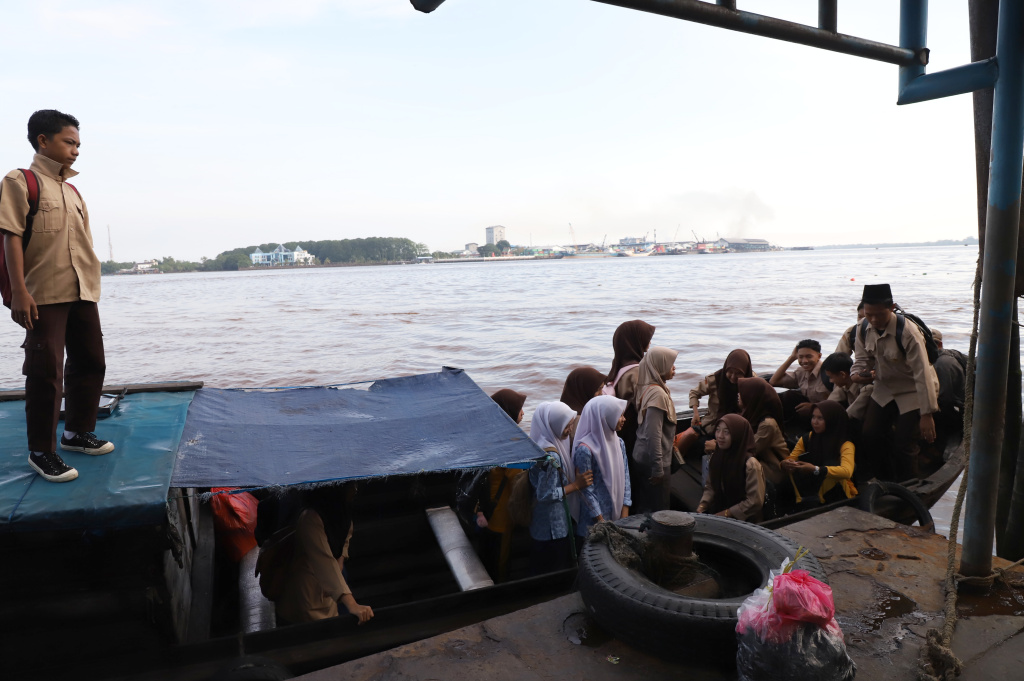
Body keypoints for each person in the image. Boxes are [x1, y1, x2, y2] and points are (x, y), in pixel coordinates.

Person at [1, 110, 111, 483]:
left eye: (78, 144)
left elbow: (83, 244)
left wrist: (92, 286)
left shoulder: (73, 191)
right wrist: (19, 292)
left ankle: (77, 432)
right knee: (45, 372)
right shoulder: (21, 181)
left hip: (81, 290)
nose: (76, 150)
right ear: (43, 140)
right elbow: (11, 236)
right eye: (69, 142)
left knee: (91, 361)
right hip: (42, 293)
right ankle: (42, 452)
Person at [851, 283, 940, 482]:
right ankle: (884, 480)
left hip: (914, 389)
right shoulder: (863, 328)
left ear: (891, 308)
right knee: (870, 434)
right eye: (868, 314)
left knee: (904, 443)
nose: (873, 320)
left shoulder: (908, 332)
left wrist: (927, 414)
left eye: (879, 315)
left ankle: (910, 486)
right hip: (885, 387)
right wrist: (857, 374)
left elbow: (922, 374)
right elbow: (862, 359)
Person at [274, 484, 374, 625]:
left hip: (330, 592)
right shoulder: (309, 518)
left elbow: (344, 540)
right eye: (351, 486)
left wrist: (339, 565)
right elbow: (324, 563)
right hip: (307, 593)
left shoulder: (341, 512)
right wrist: (352, 605)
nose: (355, 490)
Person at [527, 401, 593, 574]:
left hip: (541, 524)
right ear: (553, 425)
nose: (570, 430)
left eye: (571, 425)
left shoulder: (540, 444)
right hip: (552, 528)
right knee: (553, 571)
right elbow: (545, 494)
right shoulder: (551, 455)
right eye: (566, 426)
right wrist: (576, 485)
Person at [476, 388, 527, 581]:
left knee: (486, 558)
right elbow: (517, 479)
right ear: (508, 412)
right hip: (500, 518)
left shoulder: (488, 435)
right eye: (519, 409)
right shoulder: (509, 441)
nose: (523, 413)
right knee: (500, 563)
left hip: (484, 510)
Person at [675, 349, 753, 459]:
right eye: (730, 372)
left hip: (738, 429)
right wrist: (696, 413)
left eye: (738, 373)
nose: (733, 377)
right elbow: (694, 393)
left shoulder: (751, 381)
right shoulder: (716, 379)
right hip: (713, 426)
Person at [573, 395, 632, 538]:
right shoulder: (585, 450)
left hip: (617, 517)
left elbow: (626, 479)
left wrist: (624, 518)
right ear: (605, 417)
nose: (624, 419)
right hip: (593, 523)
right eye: (620, 415)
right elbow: (588, 491)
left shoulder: (619, 443)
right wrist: (602, 522)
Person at [781, 401, 857, 509]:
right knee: (794, 467)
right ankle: (802, 503)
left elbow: (847, 471)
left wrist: (816, 469)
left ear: (832, 421)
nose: (815, 422)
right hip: (812, 487)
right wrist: (785, 464)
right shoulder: (808, 438)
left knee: (832, 466)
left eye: (820, 418)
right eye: (813, 417)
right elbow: (791, 458)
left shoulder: (845, 444)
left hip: (836, 494)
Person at [631, 346, 678, 513]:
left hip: (642, 456)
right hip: (652, 461)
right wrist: (658, 469)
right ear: (659, 366)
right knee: (659, 509)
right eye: (671, 364)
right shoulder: (658, 395)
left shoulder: (648, 386)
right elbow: (653, 434)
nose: (674, 368)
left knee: (644, 503)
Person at [696, 414, 765, 521]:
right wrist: (703, 505)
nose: (720, 436)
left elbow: (754, 501)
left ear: (738, 435)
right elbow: (710, 486)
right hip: (719, 513)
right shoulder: (716, 457)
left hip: (745, 520)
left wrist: (727, 513)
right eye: (718, 430)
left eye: (726, 432)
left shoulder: (750, 464)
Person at [737, 376, 788, 486]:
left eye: (742, 393)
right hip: (761, 461)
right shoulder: (751, 414)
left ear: (752, 397)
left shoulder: (767, 424)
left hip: (774, 470)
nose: (739, 395)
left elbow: (749, 449)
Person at [769, 339, 830, 425]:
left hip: (826, 416)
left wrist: (814, 407)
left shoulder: (828, 373)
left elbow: (837, 403)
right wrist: (791, 358)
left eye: (809, 356)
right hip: (807, 415)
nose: (804, 361)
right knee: (787, 396)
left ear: (819, 356)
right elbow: (774, 381)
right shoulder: (801, 372)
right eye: (800, 357)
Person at [931, 329, 966, 453]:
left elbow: (945, 399)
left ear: (939, 345)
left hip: (954, 411)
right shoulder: (951, 354)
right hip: (956, 407)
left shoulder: (942, 363)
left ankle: (935, 450)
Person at [821, 352, 874, 423]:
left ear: (842, 374)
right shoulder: (844, 385)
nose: (830, 381)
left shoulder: (866, 389)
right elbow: (828, 404)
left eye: (831, 377)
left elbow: (848, 416)